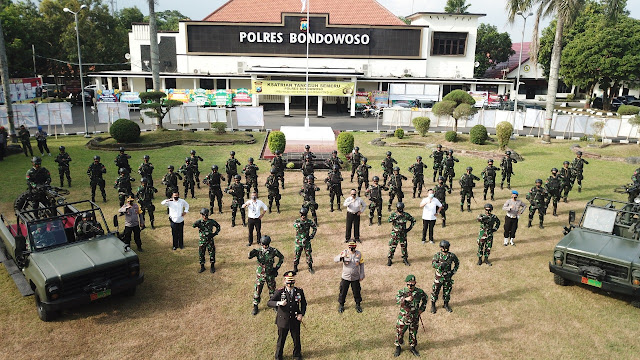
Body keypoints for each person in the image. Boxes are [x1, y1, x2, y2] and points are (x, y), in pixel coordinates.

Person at [267, 271, 307, 360]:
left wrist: (301, 314)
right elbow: (269, 303)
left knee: (296, 339)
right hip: (283, 321)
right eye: (288, 282)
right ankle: (278, 356)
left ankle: (297, 355)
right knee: (281, 340)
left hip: (295, 319)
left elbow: (304, 304)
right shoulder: (280, 292)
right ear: (284, 281)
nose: (290, 284)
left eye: (292, 282)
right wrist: (279, 303)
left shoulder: (299, 291)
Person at [249, 235, 284, 315]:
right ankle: (255, 306)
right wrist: (250, 254)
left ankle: (274, 305)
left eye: (266, 245)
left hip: (270, 274)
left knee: (272, 290)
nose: (265, 246)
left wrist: (276, 268)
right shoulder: (258, 251)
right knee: (257, 291)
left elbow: (281, 257)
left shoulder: (273, 251)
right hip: (260, 275)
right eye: (263, 244)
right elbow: (250, 256)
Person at [394, 274, 427, 358]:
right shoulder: (402, 292)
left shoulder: (419, 292)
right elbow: (396, 300)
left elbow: (425, 298)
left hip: (415, 317)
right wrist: (405, 299)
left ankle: (412, 347)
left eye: (412, 284)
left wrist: (421, 309)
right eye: (408, 284)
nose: (410, 286)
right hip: (404, 317)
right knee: (400, 332)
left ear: (415, 283)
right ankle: (398, 346)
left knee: (413, 333)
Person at [334, 240, 364, 313]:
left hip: (355, 277)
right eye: (350, 246)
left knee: (357, 291)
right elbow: (335, 259)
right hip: (345, 277)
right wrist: (341, 257)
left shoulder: (359, 254)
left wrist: (362, 274)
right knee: (343, 291)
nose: (351, 248)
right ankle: (341, 305)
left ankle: (358, 305)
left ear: (355, 246)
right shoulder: (344, 252)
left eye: (353, 246)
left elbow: (362, 264)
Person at [430, 240, 459, 314]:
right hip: (439, 277)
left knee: (447, 291)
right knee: (435, 291)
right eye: (444, 247)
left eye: (447, 247)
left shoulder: (451, 255)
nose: (445, 249)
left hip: (447, 277)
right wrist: (439, 265)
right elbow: (433, 264)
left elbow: (457, 263)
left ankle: (446, 304)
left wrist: (453, 272)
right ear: (441, 248)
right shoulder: (437, 255)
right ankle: (433, 305)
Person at [192, 208, 220, 273]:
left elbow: (218, 226)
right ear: (201, 215)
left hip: (210, 240)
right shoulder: (199, 222)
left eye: (206, 215)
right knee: (201, 253)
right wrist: (196, 223)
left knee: (212, 253)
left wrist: (214, 234)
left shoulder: (211, 221)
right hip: (202, 241)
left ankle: (212, 266)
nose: (205, 217)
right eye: (203, 215)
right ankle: (202, 267)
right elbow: (193, 225)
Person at [387, 202, 416, 267]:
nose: (400, 210)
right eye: (399, 209)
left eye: (401, 208)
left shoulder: (405, 215)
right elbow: (389, 220)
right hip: (395, 234)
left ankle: (405, 259)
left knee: (404, 247)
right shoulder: (394, 214)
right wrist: (395, 217)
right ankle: (389, 259)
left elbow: (413, 220)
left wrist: (409, 228)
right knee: (392, 247)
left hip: (403, 234)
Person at [293, 207, 317, 273]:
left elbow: (315, 228)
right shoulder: (297, 221)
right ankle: (295, 268)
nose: (303, 216)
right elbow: (294, 225)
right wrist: (300, 224)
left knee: (308, 254)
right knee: (297, 254)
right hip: (298, 242)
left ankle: (310, 267)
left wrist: (312, 236)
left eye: (304, 215)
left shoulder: (309, 221)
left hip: (306, 241)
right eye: (302, 215)